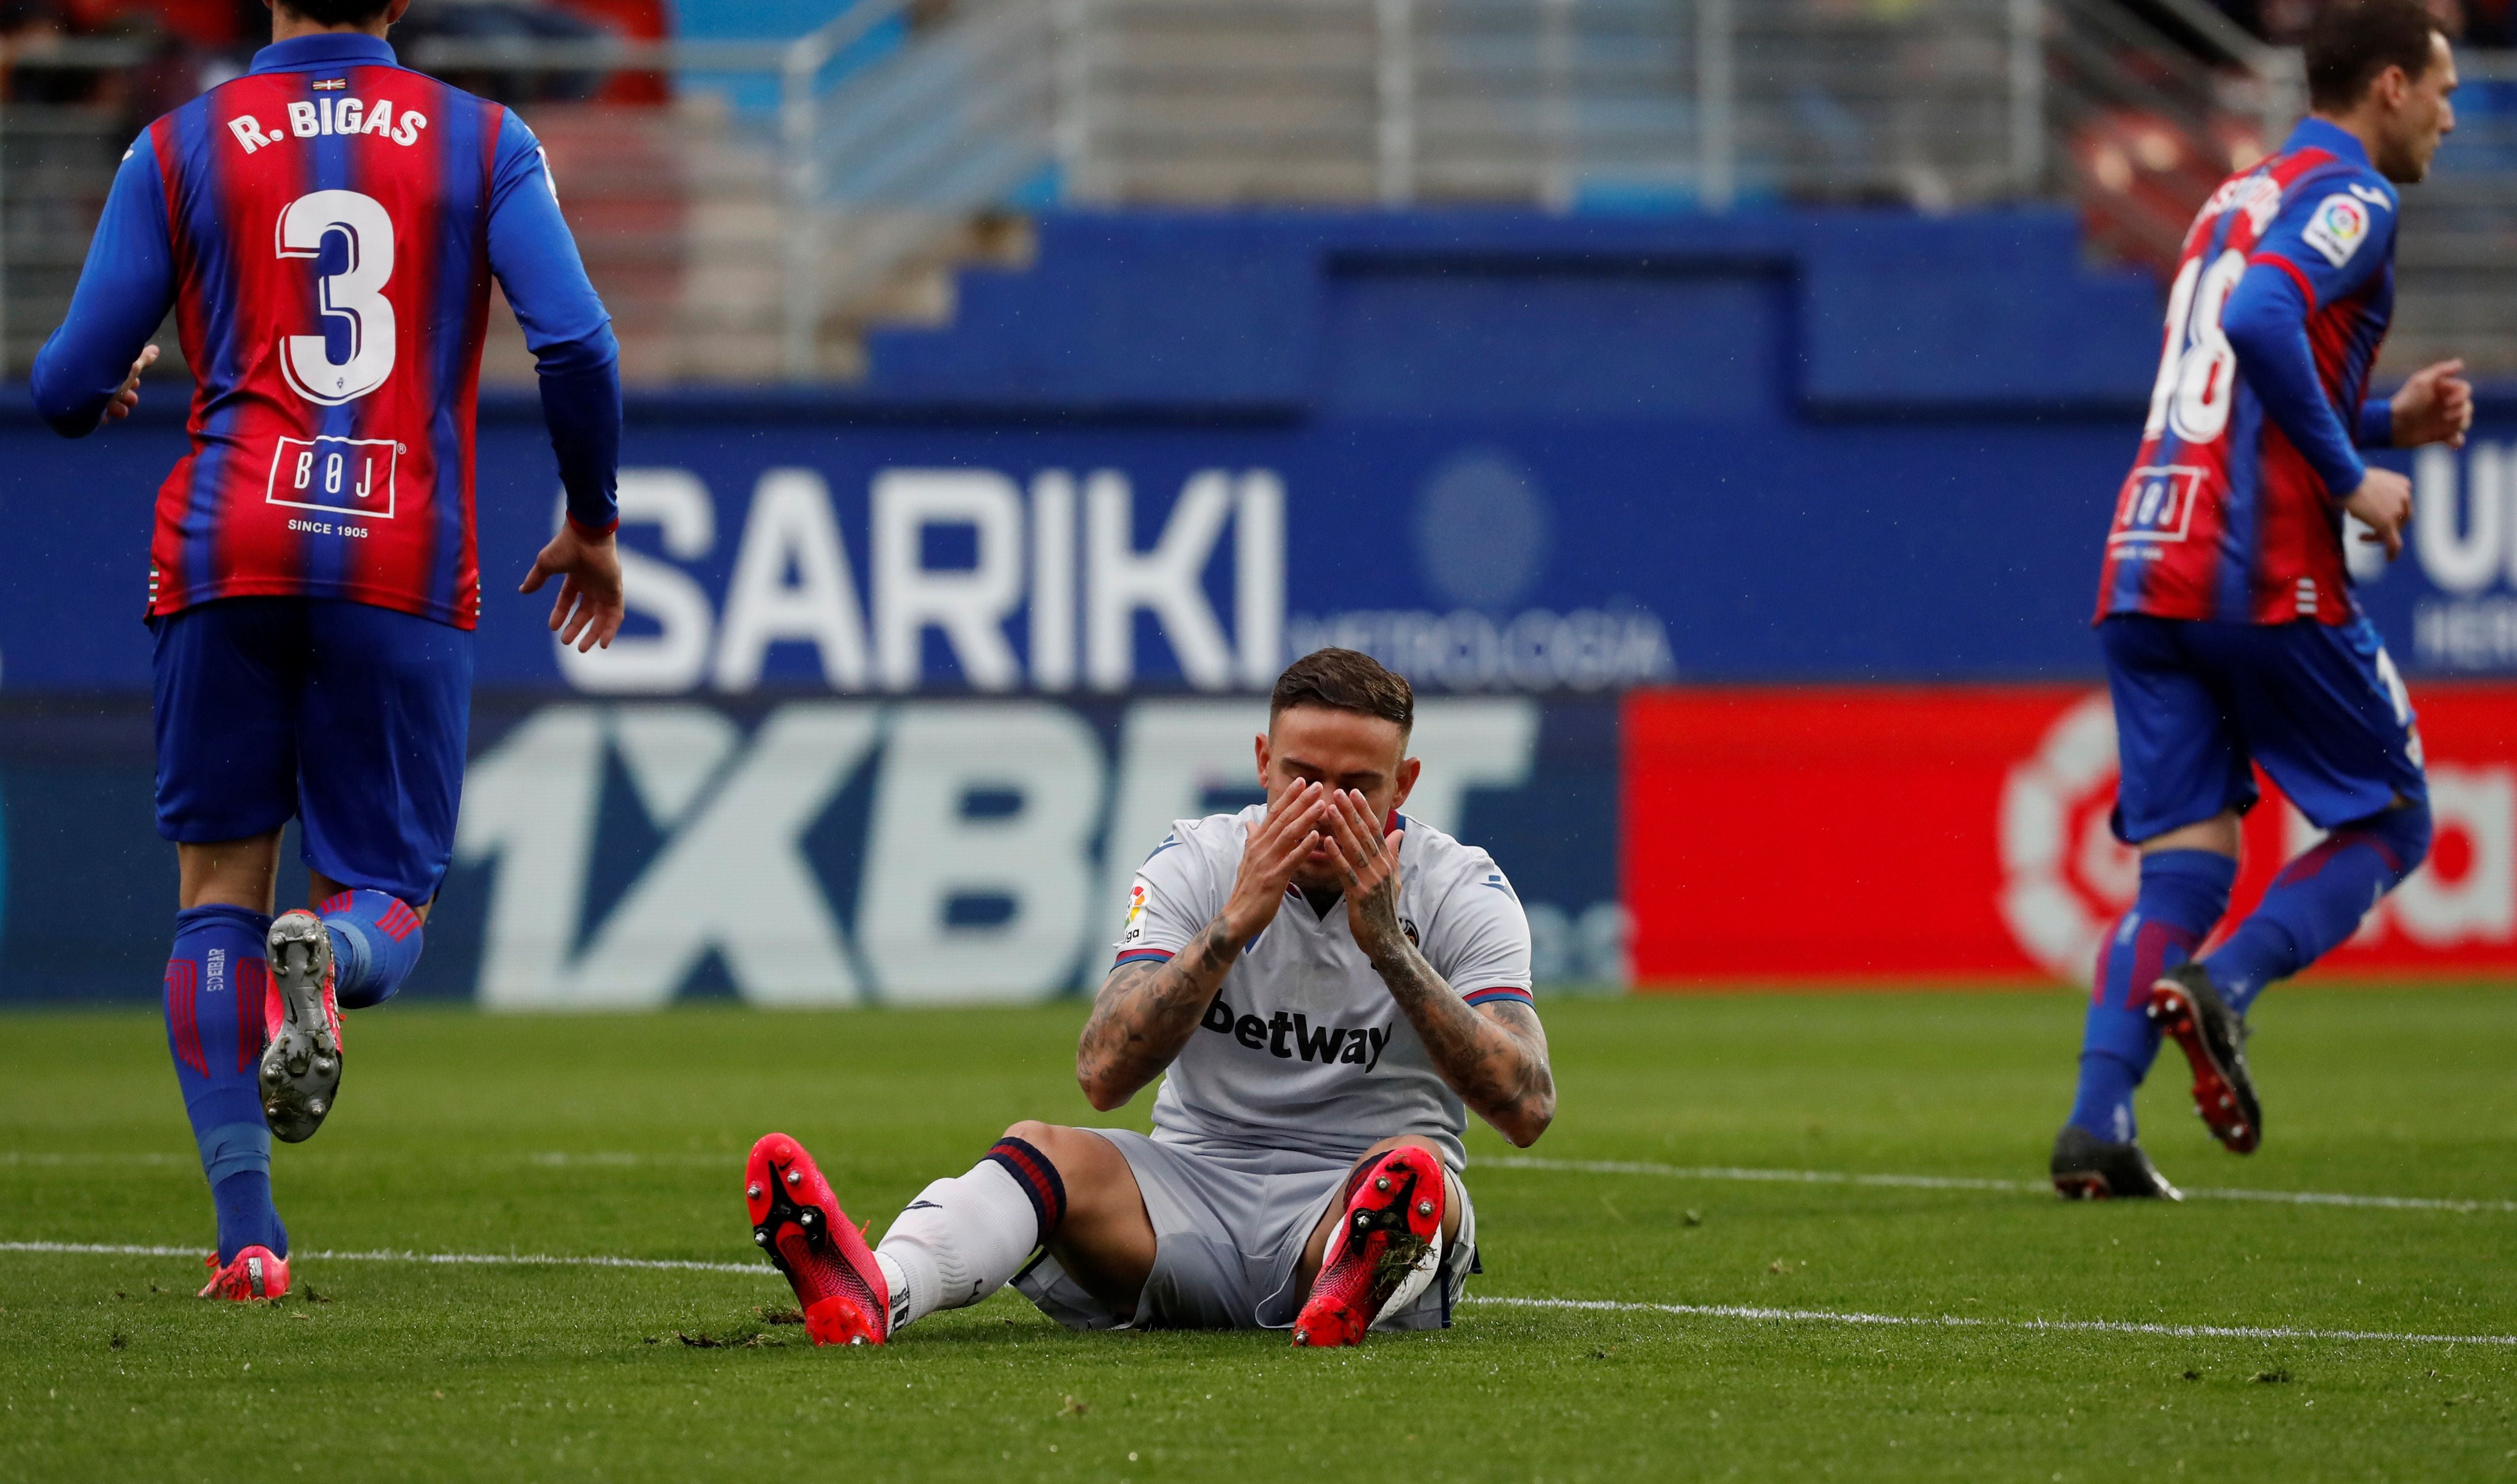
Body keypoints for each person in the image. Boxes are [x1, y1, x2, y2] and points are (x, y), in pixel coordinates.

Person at [29, 0, 625, 1297]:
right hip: (396, 549)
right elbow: (577, 338)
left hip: (225, 544)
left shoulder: (179, 144)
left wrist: (119, 371)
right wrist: (590, 519)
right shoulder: (483, 139)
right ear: (400, 0)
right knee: (385, 896)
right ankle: (337, 958)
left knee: (215, 893)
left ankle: (249, 1235)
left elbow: (64, 386)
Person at [746, 648, 1556, 1345]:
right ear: (1263, 762)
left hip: (1358, 1194)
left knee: (1413, 1176)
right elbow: (1103, 1075)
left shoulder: (1461, 887)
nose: (1319, 810)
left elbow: (1526, 1105)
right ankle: (875, 1291)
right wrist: (1234, 925)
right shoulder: (1197, 862)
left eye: (1356, 788)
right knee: (1041, 1146)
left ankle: (1348, 1289)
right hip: (1190, 1192)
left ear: (1404, 785)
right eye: (1301, 777)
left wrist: (1391, 950)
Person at [2060, 0, 2469, 1199]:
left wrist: (2385, 419)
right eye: (2441, 90)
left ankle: (2096, 1124)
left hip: (2146, 558)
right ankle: (2223, 989)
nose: (2452, 114)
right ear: (2388, 85)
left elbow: (2226, 371)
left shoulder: (2230, 196)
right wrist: (2355, 476)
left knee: (2183, 867)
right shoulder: (2357, 197)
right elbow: (2260, 317)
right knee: (2392, 822)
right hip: (2258, 567)